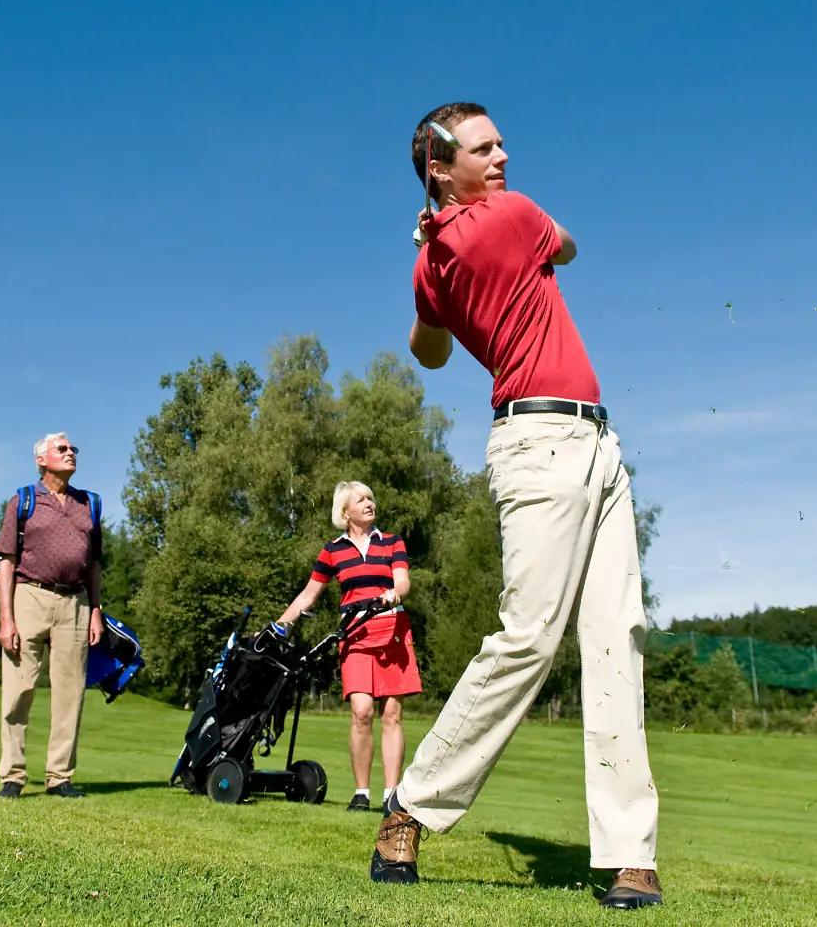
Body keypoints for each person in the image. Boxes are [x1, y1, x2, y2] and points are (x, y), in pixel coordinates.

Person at [377, 102, 661, 910]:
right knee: (528, 638)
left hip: (598, 447)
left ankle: (628, 852)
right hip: (540, 446)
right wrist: (457, 242)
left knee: (618, 639)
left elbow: (428, 350)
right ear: (441, 165)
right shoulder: (514, 215)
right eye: (485, 146)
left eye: (502, 143)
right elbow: (568, 246)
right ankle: (412, 803)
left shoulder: (434, 258)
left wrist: (438, 266)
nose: (505, 155)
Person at [271, 481, 418, 813]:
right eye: (361, 500)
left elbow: (403, 581)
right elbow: (309, 595)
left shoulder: (392, 542)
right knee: (361, 713)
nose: (369, 503)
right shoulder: (333, 550)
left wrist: (393, 593)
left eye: (370, 498)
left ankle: (391, 796)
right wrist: (279, 626)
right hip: (355, 636)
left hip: (392, 631)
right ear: (344, 511)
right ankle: (361, 793)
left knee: (392, 714)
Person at [0, 431, 104, 799]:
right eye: (62, 449)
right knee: (18, 690)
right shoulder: (23, 501)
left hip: (76, 604)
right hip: (29, 597)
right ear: (42, 459)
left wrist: (96, 611)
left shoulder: (89, 504)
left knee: (71, 694)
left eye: (73, 449)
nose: (70, 452)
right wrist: (6, 619)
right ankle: (12, 775)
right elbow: (6, 563)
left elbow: (94, 566)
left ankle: (60, 778)